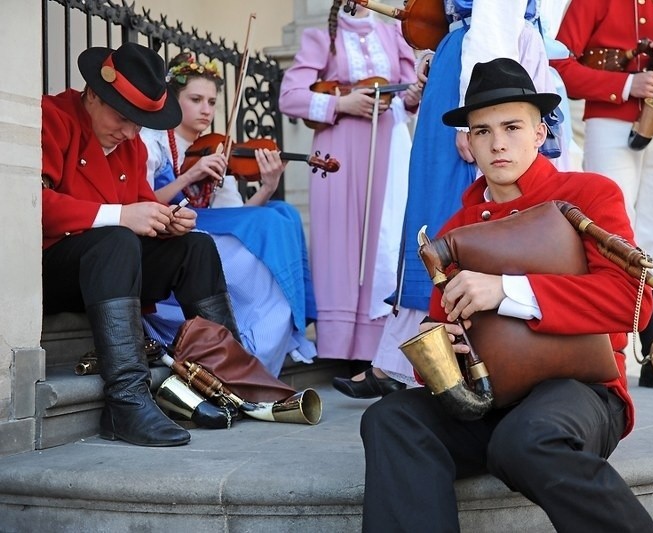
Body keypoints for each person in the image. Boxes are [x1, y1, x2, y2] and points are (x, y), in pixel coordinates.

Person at [360, 57, 653, 532]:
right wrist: (441, 345)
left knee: (526, 439)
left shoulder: (589, 194)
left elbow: (635, 302)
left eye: (512, 127)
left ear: (540, 134)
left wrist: (505, 291)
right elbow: (439, 333)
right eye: (482, 131)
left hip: (580, 394)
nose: (497, 143)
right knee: (390, 419)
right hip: (488, 401)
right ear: (468, 142)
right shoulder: (455, 229)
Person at [336, 0, 569, 399]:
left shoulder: (485, 44)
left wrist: (470, 116)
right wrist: (438, 51)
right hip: (466, 55)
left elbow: (495, 16)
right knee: (437, 205)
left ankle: (434, 357)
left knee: (453, 207)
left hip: (483, 60)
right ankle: (400, 356)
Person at [41, 42, 242, 447]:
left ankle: (231, 379)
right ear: (93, 95)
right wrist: (120, 216)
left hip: (110, 272)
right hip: (52, 271)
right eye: (123, 117)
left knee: (196, 247)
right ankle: (126, 402)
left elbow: (141, 201)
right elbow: (33, 203)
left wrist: (170, 221)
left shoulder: (128, 143)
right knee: (115, 239)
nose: (131, 132)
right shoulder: (52, 117)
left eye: (139, 122)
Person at [551, 0, 653, 393]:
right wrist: (625, 85)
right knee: (609, 237)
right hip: (609, 119)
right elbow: (558, 66)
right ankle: (605, 355)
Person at [139, 52, 317, 377]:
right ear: (172, 100)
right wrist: (188, 177)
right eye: (195, 99)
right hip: (173, 236)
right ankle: (246, 347)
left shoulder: (217, 149)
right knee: (263, 243)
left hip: (214, 229)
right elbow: (141, 199)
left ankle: (261, 352)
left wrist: (268, 185)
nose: (206, 109)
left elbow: (238, 217)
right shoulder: (153, 142)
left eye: (211, 101)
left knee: (282, 212)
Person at [278, 1, 422, 383]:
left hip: (388, 147)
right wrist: (342, 103)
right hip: (336, 151)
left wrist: (417, 89)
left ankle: (377, 348)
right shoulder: (319, 37)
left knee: (384, 241)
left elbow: (408, 98)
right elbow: (289, 96)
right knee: (340, 242)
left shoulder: (393, 32)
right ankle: (342, 348)